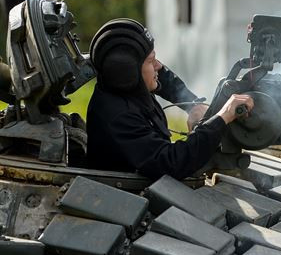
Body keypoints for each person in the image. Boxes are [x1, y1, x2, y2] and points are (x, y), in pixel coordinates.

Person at [86, 18, 252, 179]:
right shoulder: (119, 117)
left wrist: (192, 105)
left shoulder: (124, 89)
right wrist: (222, 118)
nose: (159, 66)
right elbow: (171, 163)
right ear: (128, 72)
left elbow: (164, 80)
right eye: (151, 61)